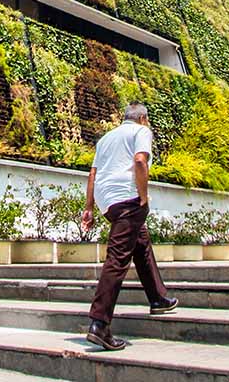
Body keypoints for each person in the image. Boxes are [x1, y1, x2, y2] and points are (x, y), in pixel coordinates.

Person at [82, 103, 178, 351]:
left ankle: (158, 298)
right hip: (128, 198)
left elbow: (93, 174)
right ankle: (99, 323)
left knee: (141, 243)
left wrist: (89, 208)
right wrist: (143, 196)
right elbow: (139, 161)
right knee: (118, 258)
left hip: (108, 202)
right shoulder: (141, 132)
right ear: (143, 118)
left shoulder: (106, 139)